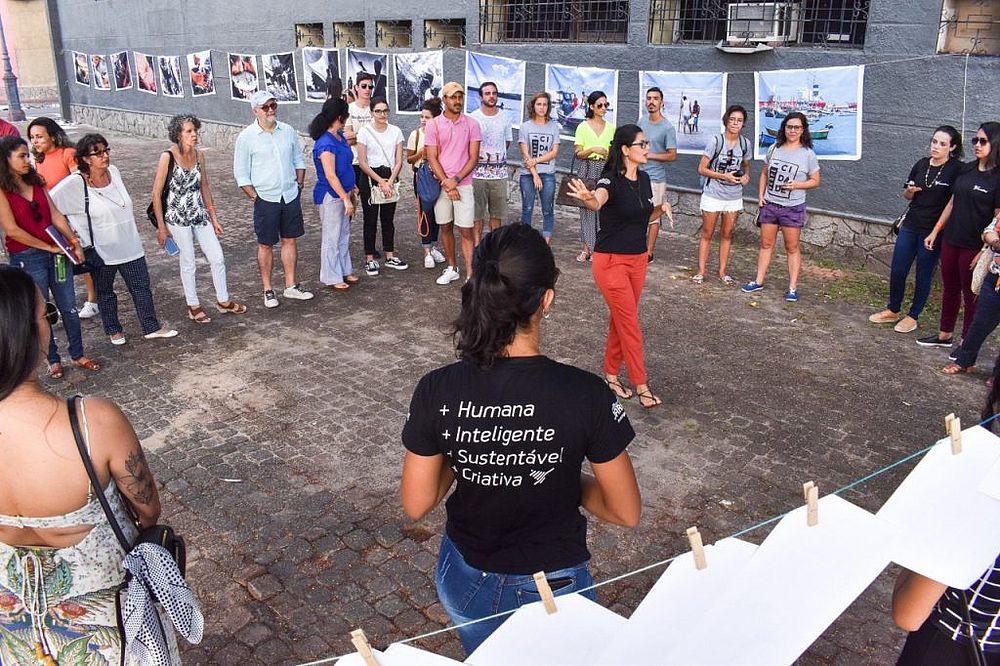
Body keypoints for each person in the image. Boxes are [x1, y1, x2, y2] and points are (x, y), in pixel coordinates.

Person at [400, 224, 641, 655]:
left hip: (466, 577)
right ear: (546, 300)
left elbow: (416, 504)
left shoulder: (436, 388)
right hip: (554, 586)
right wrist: (557, 476)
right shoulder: (585, 394)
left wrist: (472, 450)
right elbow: (625, 511)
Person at [0, 264, 162, 664]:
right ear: (30, 332)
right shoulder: (93, 422)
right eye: (47, 314)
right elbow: (148, 510)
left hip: (14, 628)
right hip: (108, 626)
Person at [568, 124, 674, 409]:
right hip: (610, 262)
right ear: (626, 150)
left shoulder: (645, 179)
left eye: (647, 143)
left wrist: (660, 208)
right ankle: (642, 386)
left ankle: (611, 374)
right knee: (630, 324)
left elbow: (640, 216)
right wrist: (589, 198)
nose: (647, 148)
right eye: (642, 144)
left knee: (621, 319)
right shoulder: (609, 180)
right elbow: (598, 201)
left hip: (638, 260)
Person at [51, 134, 177, 345]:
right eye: (97, 153)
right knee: (105, 292)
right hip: (101, 250)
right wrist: (71, 234)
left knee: (141, 287)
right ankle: (114, 330)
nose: (104, 156)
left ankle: (151, 327)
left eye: (106, 150)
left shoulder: (114, 172)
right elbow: (50, 205)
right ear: (86, 159)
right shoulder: (76, 183)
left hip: (130, 244)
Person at [0, 136, 100, 379]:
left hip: (57, 253)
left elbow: (55, 214)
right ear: (6, 159)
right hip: (27, 256)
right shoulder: (3, 191)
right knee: (40, 310)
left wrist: (73, 242)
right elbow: (12, 230)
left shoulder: (36, 182)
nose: (27, 160)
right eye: (21, 156)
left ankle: (77, 353)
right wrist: (47, 246)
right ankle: (52, 359)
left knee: (68, 306)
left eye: (28, 155)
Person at [152, 114, 245, 323]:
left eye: (195, 130)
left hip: (199, 214)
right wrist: (161, 228)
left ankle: (223, 300)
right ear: (178, 135)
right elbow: (156, 194)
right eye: (189, 131)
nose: (194, 134)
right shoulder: (167, 156)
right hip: (177, 217)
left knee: (217, 257)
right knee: (188, 261)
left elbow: (205, 187)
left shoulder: (199, 155)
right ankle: (193, 305)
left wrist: (214, 218)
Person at [869, 126, 963, 333]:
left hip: (933, 230)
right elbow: (907, 196)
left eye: (942, 144)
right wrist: (910, 191)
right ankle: (893, 309)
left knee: (923, 273)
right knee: (898, 269)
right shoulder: (921, 164)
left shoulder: (956, 169)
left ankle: (913, 316)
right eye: (934, 141)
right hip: (911, 225)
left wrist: (937, 231)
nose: (936, 146)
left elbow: (954, 202)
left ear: (952, 147)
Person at [920, 122, 1000, 356]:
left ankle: (966, 343)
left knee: (970, 294)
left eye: (983, 141)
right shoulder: (967, 169)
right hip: (951, 239)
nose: (977, 145)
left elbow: (998, 220)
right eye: (975, 140)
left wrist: (984, 251)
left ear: (995, 144)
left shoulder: (997, 178)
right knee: (950, 288)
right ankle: (945, 334)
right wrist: (936, 230)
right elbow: (952, 202)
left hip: (973, 245)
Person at [234, 90, 313, 309]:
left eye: (273, 105)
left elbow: (298, 159)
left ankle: (291, 285)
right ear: (255, 111)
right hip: (265, 198)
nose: (271, 110)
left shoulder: (287, 131)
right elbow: (241, 173)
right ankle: (268, 290)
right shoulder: (246, 137)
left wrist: (299, 184)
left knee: (290, 239)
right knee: (266, 244)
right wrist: (255, 197)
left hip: (289, 195)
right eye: (265, 107)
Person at [741, 111, 821, 302]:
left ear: (803, 130)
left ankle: (792, 288)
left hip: (792, 207)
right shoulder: (774, 148)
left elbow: (815, 180)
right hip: (770, 204)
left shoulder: (808, 154)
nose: (792, 130)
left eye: (797, 127)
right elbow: (764, 173)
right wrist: (761, 196)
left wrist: (797, 185)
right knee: (765, 244)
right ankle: (758, 281)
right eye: (789, 127)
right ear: (784, 128)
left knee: (791, 247)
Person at [27, 116, 100, 320]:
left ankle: (93, 299)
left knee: (82, 257)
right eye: (32, 137)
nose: (35, 141)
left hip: (73, 216)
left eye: (40, 136)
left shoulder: (68, 154)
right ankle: (62, 302)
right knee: (60, 258)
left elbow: (79, 183)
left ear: (52, 136)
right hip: (52, 219)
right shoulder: (38, 160)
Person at [425, 81, 482, 284]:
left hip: (463, 184)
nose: (458, 101)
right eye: (453, 97)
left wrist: (455, 180)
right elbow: (432, 157)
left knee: (466, 230)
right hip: (442, 185)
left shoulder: (472, 124)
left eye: (460, 97)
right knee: (445, 226)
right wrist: (446, 183)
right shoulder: (433, 125)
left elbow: (473, 158)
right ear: (444, 99)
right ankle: (452, 268)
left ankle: (471, 275)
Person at [694, 104, 752, 284]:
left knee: (727, 234)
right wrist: (723, 176)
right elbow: (702, 169)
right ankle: (701, 271)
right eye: (732, 119)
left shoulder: (745, 144)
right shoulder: (716, 141)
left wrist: (746, 176)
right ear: (726, 120)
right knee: (707, 232)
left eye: (739, 120)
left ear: (743, 123)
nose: (735, 123)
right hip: (713, 193)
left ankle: (722, 272)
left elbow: (746, 165)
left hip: (733, 196)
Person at [309, 98, 360, 291]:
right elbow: (330, 175)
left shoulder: (339, 137)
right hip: (331, 195)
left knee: (343, 233)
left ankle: (344, 269)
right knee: (332, 236)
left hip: (344, 190)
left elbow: (345, 165)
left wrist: (352, 186)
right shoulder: (325, 143)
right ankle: (331, 276)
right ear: (340, 117)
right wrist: (345, 198)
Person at [356, 97, 408, 276]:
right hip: (370, 177)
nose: (382, 114)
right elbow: (362, 162)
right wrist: (381, 181)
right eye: (378, 111)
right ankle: (369, 258)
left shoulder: (396, 131)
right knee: (370, 219)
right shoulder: (364, 132)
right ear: (371, 112)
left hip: (390, 175)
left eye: (385, 110)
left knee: (388, 219)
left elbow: (399, 160)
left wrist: (390, 181)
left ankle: (390, 255)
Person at [574, 91, 615, 262]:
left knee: (603, 208)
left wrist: (608, 155)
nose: (604, 108)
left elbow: (614, 154)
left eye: (606, 105)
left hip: (605, 169)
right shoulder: (583, 127)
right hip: (587, 168)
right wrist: (593, 149)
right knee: (586, 208)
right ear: (591, 106)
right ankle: (586, 248)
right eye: (600, 105)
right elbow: (578, 153)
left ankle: (599, 248)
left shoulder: (611, 128)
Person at [471, 81, 514, 243]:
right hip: (477, 175)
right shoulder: (473, 118)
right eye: (487, 93)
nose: (491, 96)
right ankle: (477, 247)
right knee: (477, 216)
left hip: (499, 175)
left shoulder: (505, 117)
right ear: (481, 97)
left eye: (494, 93)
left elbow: (507, 142)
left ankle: (494, 247)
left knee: (497, 216)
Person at [406, 98, 447, 269]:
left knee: (439, 214)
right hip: (422, 178)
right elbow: (409, 159)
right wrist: (421, 154)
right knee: (425, 213)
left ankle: (434, 246)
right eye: (422, 117)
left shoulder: (441, 134)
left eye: (427, 117)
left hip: (439, 177)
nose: (423, 120)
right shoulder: (415, 135)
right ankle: (427, 251)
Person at [638, 87, 677, 260]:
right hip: (637, 175)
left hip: (655, 178)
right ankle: (637, 248)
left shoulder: (667, 127)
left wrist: (650, 155)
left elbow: (672, 155)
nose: (651, 102)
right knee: (637, 214)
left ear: (662, 102)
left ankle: (649, 252)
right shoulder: (641, 122)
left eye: (655, 98)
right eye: (648, 98)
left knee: (653, 216)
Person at [518, 92, 561, 243]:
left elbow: (554, 152)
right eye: (539, 104)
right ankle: (525, 241)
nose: (542, 107)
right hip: (528, 175)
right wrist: (535, 175)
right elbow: (525, 155)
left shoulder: (553, 127)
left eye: (545, 104)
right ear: (533, 106)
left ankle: (546, 243)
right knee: (527, 208)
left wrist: (536, 161)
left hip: (548, 174)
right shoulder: (525, 127)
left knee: (548, 209)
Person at [345, 72, 377, 255]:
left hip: (371, 163)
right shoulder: (349, 109)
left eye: (370, 86)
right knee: (349, 206)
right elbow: (346, 138)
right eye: (363, 86)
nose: (367, 90)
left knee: (370, 208)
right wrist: (365, 135)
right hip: (352, 163)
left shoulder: (375, 108)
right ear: (356, 88)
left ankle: (370, 249)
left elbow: (378, 135)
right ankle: (343, 247)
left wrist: (357, 136)